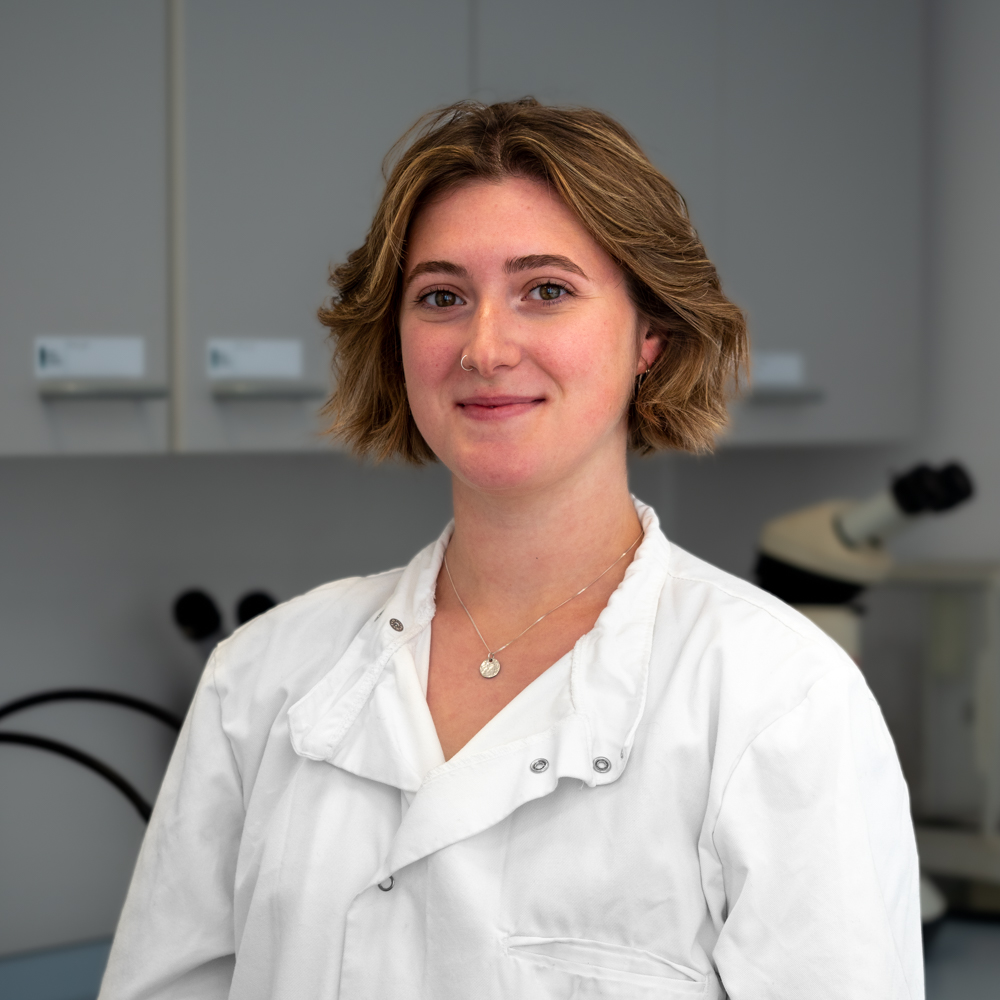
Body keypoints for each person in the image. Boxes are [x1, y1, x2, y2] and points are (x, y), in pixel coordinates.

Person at [99, 99, 922, 1000]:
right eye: (443, 297)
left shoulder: (777, 699)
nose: (486, 348)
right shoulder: (260, 682)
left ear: (650, 335)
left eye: (548, 290)